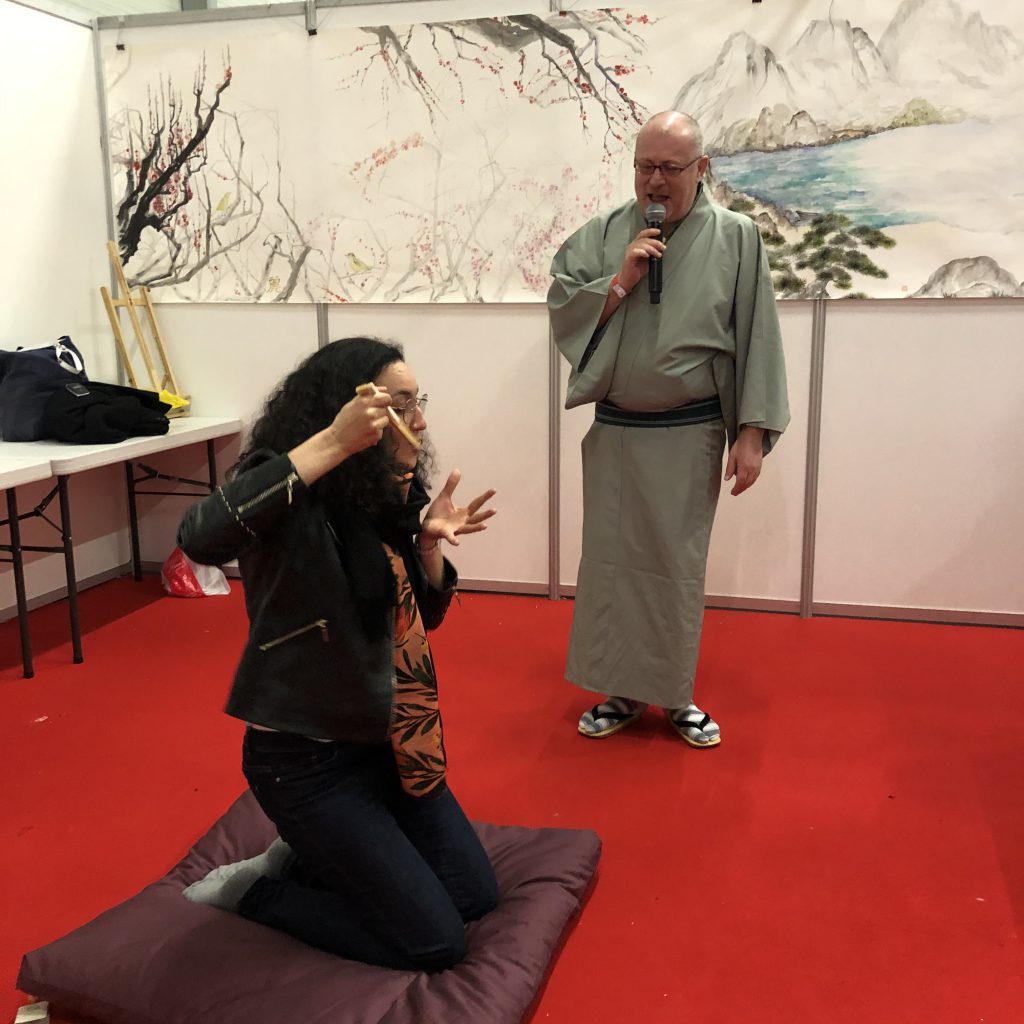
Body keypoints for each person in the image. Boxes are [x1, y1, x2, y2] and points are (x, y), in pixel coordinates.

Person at [176, 337, 499, 971]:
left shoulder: (381, 493)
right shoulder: (288, 484)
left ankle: (306, 855)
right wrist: (332, 442)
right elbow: (200, 537)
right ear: (355, 410)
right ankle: (259, 892)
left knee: (475, 895)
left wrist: (429, 547)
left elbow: (422, 620)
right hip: (305, 761)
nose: (422, 419)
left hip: (385, 745)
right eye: (402, 403)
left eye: (419, 401)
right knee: (436, 942)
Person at [547, 111, 790, 749]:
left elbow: (756, 334)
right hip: (618, 431)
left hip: (691, 431)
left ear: (701, 169)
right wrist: (619, 280)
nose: (655, 181)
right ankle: (621, 690)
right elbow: (564, 307)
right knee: (612, 565)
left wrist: (753, 432)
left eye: (670, 168)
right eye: (644, 166)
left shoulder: (737, 238)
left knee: (675, 569)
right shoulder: (603, 235)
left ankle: (676, 695)